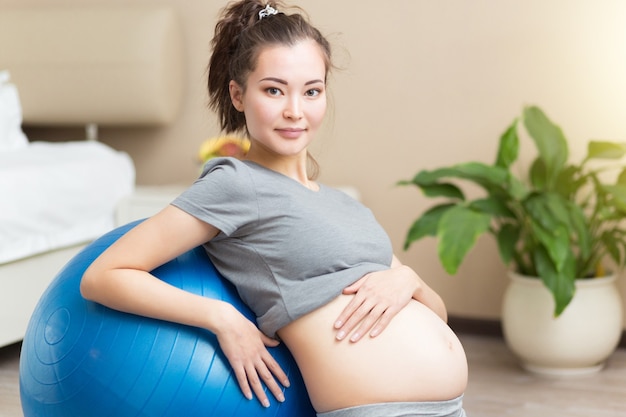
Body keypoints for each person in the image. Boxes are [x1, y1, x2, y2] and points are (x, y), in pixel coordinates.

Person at [80, 1, 468, 416]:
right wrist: (222, 318)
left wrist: (407, 279)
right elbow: (104, 276)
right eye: (273, 89)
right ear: (238, 95)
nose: (294, 111)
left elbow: (439, 315)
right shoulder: (235, 184)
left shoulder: (344, 205)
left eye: (311, 91)